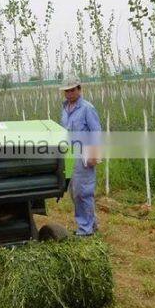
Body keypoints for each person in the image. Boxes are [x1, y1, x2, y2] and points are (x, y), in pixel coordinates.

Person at [60, 76, 102, 236]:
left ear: (79, 89)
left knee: (83, 192)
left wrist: (93, 154)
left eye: (72, 90)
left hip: (83, 154)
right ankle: (91, 224)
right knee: (74, 192)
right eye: (67, 91)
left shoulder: (87, 108)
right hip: (70, 155)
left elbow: (96, 132)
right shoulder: (65, 108)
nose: (69, 93)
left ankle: (85, 230)